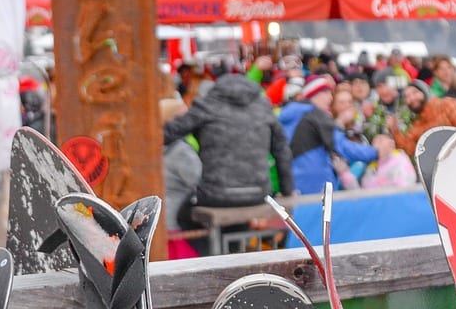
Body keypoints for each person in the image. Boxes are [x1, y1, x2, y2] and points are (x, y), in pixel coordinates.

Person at [162, 71, 290, 207]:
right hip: (259, 193)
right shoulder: (263, 108)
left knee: (183, 216)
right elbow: (282, 151)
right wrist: (287, 190)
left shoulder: (207, 106)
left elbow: (169, 133)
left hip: (215, 194)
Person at [287, 75, 377, 192]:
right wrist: (376, 151)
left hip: (294, 183)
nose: (330, 98)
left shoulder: (292, 114)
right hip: (314, 185)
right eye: (328, 94)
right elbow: (343, 147)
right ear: (318, 94)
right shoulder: (315, 116)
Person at [160, 97, 203, 232]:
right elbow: (199, 182)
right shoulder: (180, 151)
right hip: (179, 221)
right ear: (171, 120)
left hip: (162, 218)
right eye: (185, 117)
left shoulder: (156, 146)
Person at [396, 94, 456, 160]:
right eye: (406, 97)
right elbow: (411, 150)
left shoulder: (447, 104)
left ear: (424, 92)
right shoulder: (417, 125)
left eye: (414, 92)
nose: (411, 98)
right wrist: (395, 131)